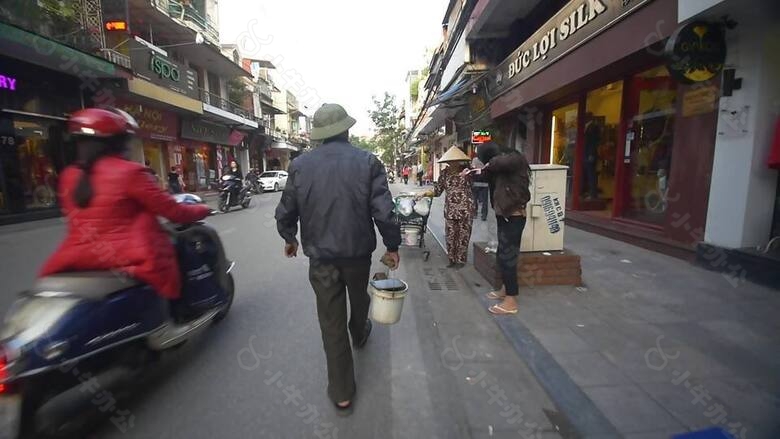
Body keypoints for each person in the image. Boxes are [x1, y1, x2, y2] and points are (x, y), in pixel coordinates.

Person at [275, 103, 401, 414]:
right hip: (358, 254)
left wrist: (289, 237)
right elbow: (384, 211)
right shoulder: (368, 162)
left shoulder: (300, 166)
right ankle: (359, 332)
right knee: (359, 301)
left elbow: (286, 209)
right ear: (346, 130)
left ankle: (342, 392)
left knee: (331, 322)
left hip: (321, 258)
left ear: (319, 135)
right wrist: (393, 245)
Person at [40, 107, 211, 300]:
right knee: (181, 248)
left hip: (74, 257)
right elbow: (174, 212)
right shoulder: (131, 173)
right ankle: (185, 304)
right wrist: (202, 209)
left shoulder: (68, 175)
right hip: (128, 258)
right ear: (119, 143)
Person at [467, 142, 531, 315]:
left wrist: (489, 164)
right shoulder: (500, 167)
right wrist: (472, 173)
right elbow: (486, 177)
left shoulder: (514, 159)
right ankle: (505, 289)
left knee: (508, 257)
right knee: (502, 256)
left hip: (515, 216)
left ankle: (511, 301)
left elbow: (498, 164)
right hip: (504, 215)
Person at [421, 146, 474, 268]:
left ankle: (460, 260)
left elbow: (475, 182)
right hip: (450, 209)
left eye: (455, 160)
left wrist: (468, 175)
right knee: (450, 235)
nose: (452, 163)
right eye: (450, 161)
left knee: (463, 235)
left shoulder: (468, 171)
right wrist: (424, 193)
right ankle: (452, 259)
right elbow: (438, 190)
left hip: (465, 208)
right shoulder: (444, 173)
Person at [471, 155, 490, 221]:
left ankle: (474, 213)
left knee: (474, 199)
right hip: (485, 183)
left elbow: (472, 168)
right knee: (485, 201)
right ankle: (484, 215)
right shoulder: (487, 160)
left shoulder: (475, 160)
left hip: (476, 182)